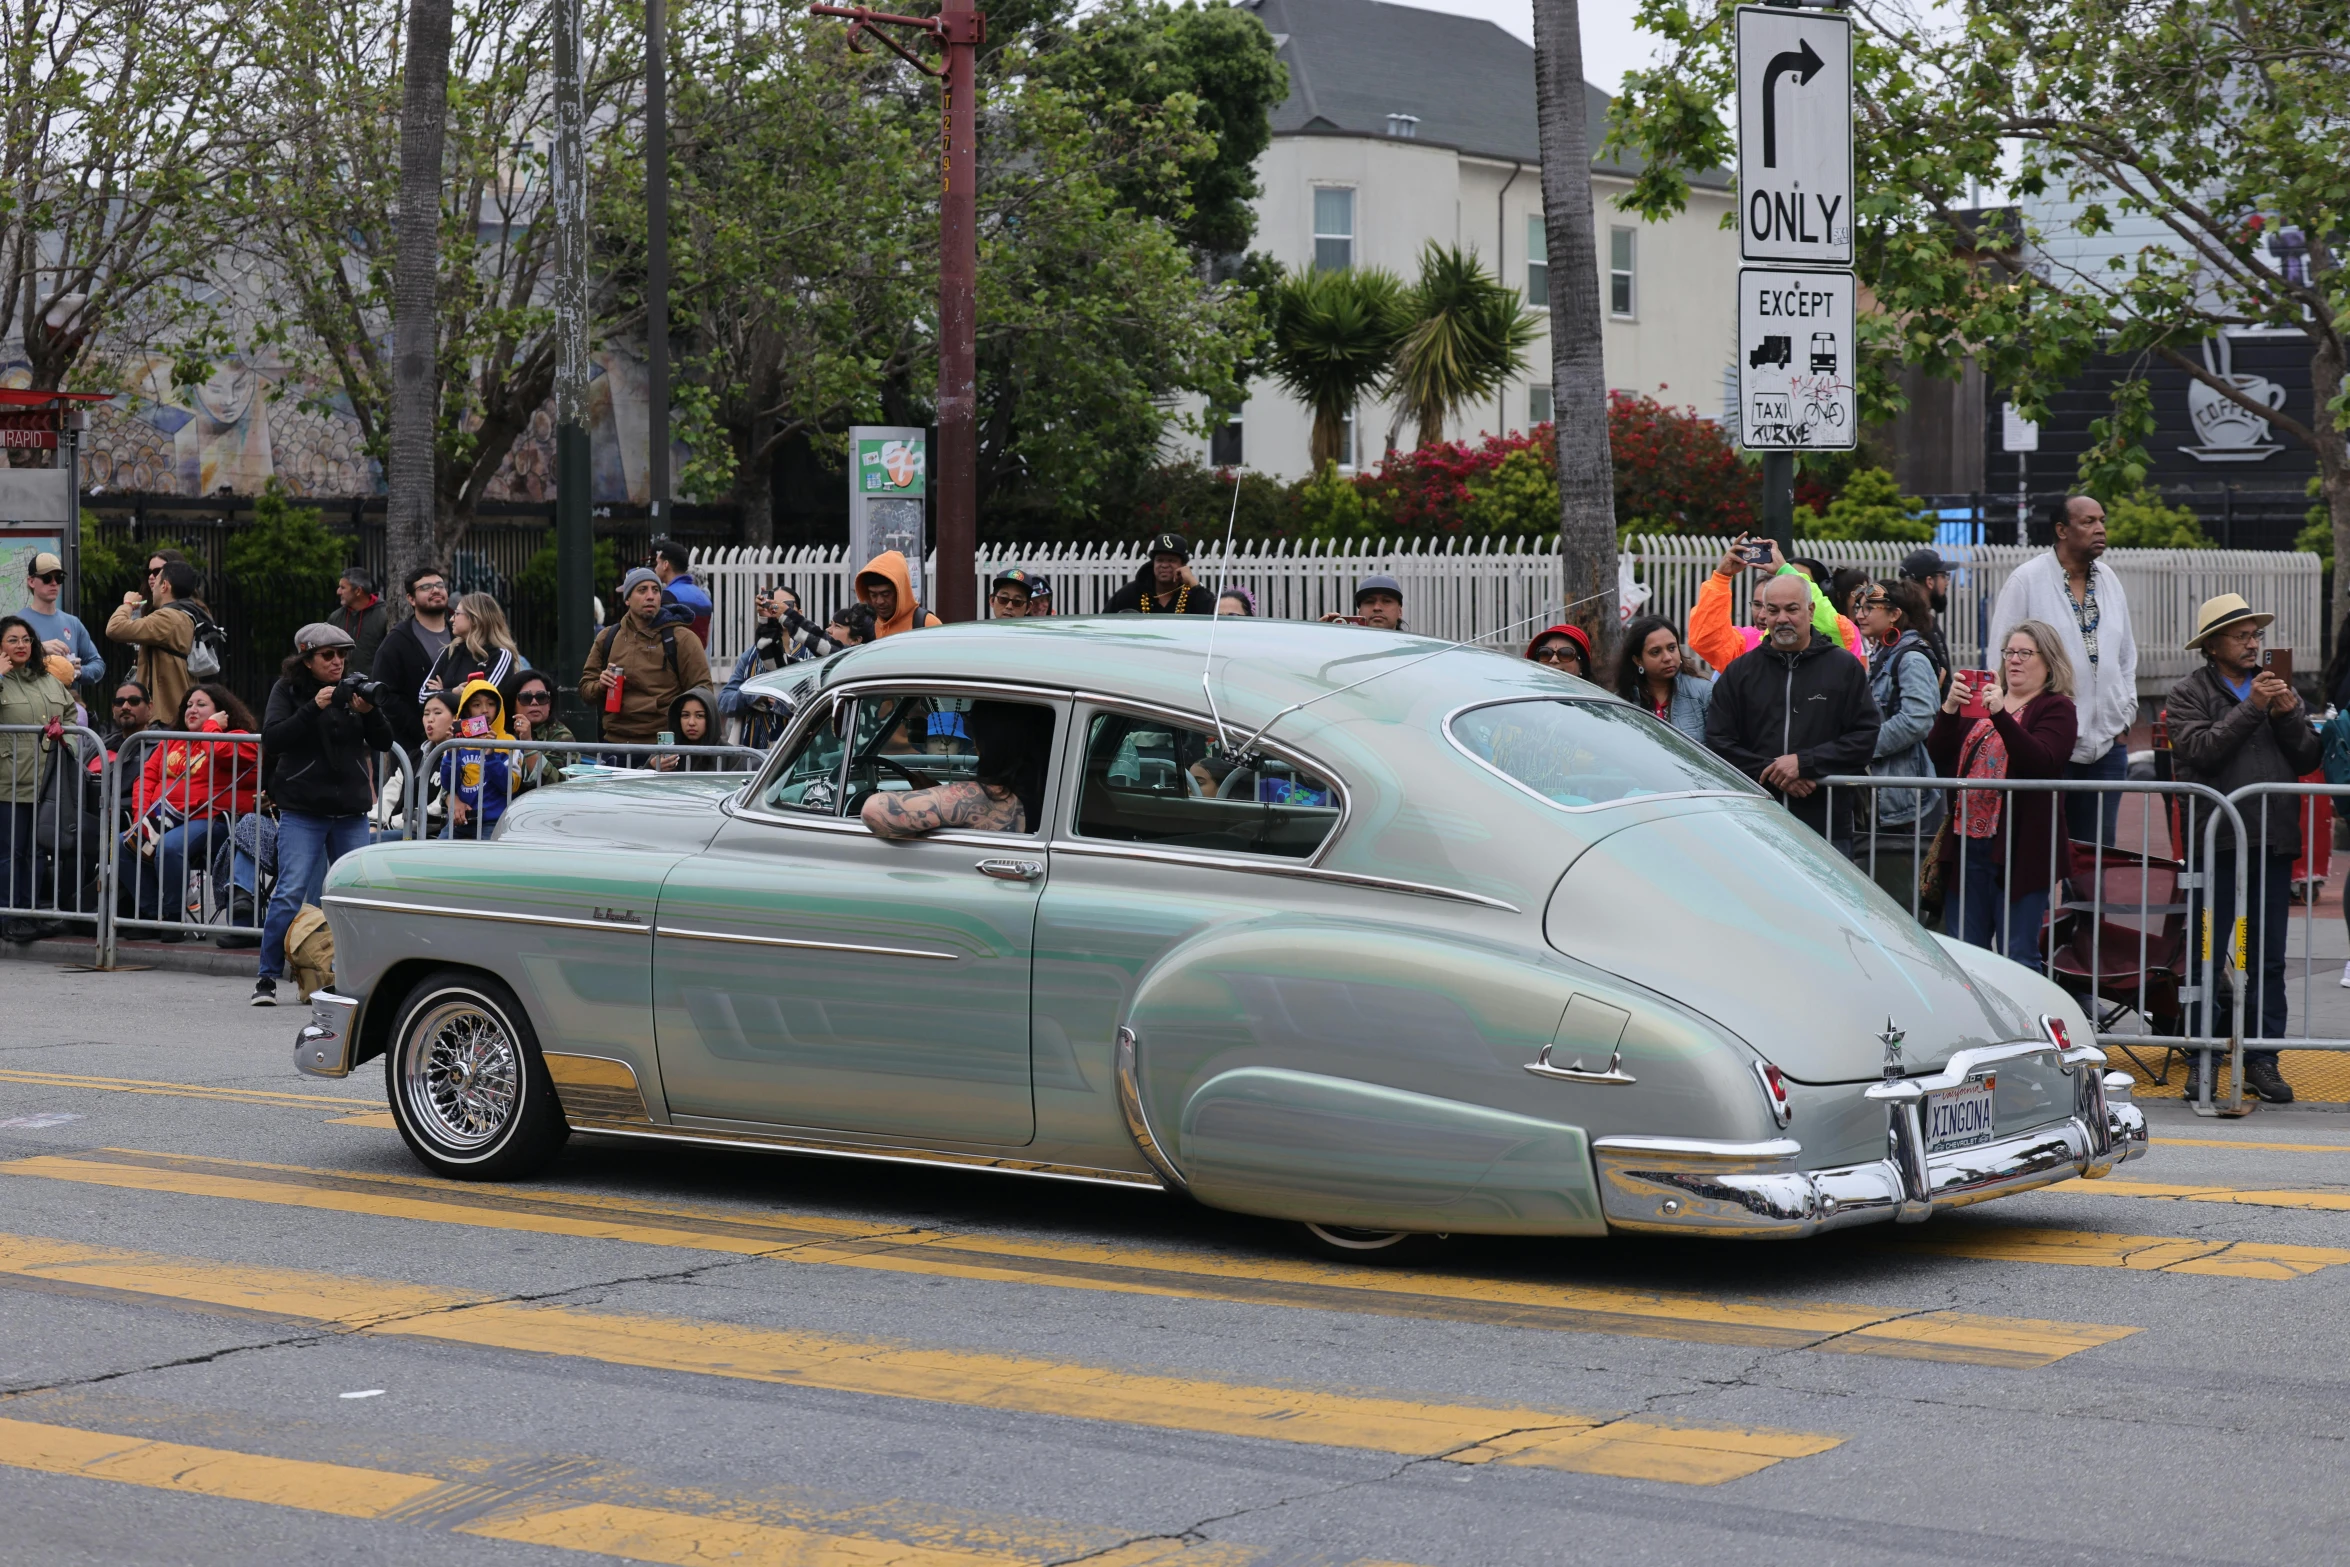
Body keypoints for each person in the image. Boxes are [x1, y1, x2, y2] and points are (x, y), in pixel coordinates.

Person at [2167, 593, 2323, 1105]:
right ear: (2212, 646)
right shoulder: (2188, 692)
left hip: (2271, 842)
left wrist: (2284, 714)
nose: (2253, 643)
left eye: (2256, 634)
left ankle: (2261, 1058)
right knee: (2210, 954)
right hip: (2219, 845)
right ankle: (2204, 1057)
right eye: (2241, 635)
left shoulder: (2280, 690)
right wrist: (2254, 707)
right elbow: (2201, 751)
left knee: (2268, 958)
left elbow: (2305, 757)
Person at [252, 623, 393, 1006]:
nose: (337, 662)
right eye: (328, 656)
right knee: (290, 891)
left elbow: (383, 741)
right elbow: (274, 738)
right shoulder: (289, 691)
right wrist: (315, 707)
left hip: (350, 811)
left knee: (357, 895)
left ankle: (360, 978)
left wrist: (369, 712)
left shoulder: (354, 690)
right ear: (306, 658)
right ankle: (266, 978)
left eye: (342, 655)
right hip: (303, 809)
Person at [1926, 622, 2078, 969]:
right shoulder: (1984, 703)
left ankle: (2022, 1024)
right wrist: (1949, 708)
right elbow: (1938, 752)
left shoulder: (2056, 708)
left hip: (2019, 849)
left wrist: (2002, 716)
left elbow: (2040, 760)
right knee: (1965, 957)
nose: (2014, 661)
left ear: (2049, 661)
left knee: (2018, 956)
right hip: (1967, 845)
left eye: (2025, 653)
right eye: (2009, 652)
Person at [1987, 496, 2137, 845]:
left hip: (2107, 746)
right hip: (2048, 742)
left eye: (2102, 520)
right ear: (2061, 530)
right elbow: (2001, 658)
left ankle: (2084, 903)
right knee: (2037, 852)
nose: (2100, 528)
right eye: (2088, 522)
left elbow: (2127, 657)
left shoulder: (2110, 580)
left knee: (2096, 859)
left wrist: (2125, 715)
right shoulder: (2027, 580)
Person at [1704, 572, 1882, 848]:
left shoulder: (1844, 668)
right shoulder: (1739, 672)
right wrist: (1775, 771)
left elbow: (1864, 738)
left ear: (1810, 611)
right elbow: (1718, 742)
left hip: (1826, 827)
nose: (1782, 618)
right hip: (1757, 824)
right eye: (1773, 610)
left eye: (1791, 609)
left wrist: (1804, 763)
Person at [127, 683, 260, 938]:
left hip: (209, 819)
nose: (192, 709)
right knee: (126, 845)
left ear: (221, 712)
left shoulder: (238, 737)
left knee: (170, 847)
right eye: (188, 705)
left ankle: (174, 919)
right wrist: (140, 820)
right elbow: (146, 779)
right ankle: (151, 916)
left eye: (201, 704)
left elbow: (218, 751)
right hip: (162, 818)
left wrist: (212, 726)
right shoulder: (173, 741)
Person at [1852, 579, 1945, 911]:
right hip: (1890, 798)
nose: (1860, 614)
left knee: (1903, 902)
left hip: (1905, 801)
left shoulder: (1910, 656)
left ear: (1894, 614)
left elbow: (1919, 718)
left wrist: (1862, 747)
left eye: (1868, 608)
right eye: (1858, 607)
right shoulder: (1885, 652)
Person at [861, 702, 1054, 838]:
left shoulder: (990, 797)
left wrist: (937, 796)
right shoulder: (1056, 790)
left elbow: (874, 810)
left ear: (984, 742)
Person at [1688, 536, 1866, 673]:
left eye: (1790, 608)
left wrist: (1785, 570)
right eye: (1765, 606)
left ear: (1811, 608)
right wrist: (1721, 578)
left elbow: (1831, 625)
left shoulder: (1839, 641)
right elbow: (1707, 640)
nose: (1765, 615)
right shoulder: (1746, 645)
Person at [0, 615, 74, 942]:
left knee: (36, 853)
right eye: (12, 640)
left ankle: (31, 911)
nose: (21, 645)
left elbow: (72, 715)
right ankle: (9, 915)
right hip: (8, 783)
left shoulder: (48, 679)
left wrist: (66, 740)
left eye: (26, 639)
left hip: (46, 783)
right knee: (9, 853)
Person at [583, 567, 713, 745]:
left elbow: (703, 692)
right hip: (615, 744)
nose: (651, 596)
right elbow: (585, 689)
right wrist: (601, 686)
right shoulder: (608, 637)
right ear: (627, 599)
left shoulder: (682, 638)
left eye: (656, 590)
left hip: (664, 745)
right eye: (642, 590)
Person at [105, 559, 205, 722]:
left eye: (156, 582)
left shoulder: (168, 617)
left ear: (165, 586)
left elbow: (115, 628)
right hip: (171, 713)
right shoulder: (186, 614)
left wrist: (128, 604)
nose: (152, 587)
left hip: (163, 717)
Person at [372, 567, 453, 758]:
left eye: (439, 585)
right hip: (414, 750)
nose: (435, 590)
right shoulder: (397, 641)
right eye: (426, 587)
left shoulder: (461, 636)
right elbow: (385, 694)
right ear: (411, 599)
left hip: (460, 744)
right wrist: (423, 730)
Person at [1611, 615, 1711, 745]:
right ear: (1638, 660)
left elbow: (1721, 750)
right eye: (1655, 652)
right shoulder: (1620, 702)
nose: (1667, 657)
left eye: (1671, 648)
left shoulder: (1704, 693)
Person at [442, 679, 517, 839]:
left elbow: (510, 786)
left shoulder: (508, 742)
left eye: (490, 704)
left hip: (493, 822)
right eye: (476, 705)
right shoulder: (458, 742)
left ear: (498, 707)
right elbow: (448, 784)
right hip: (460, 821)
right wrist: (451, 753)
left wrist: (491, 756)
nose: (485, 710)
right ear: (466, 711)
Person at [421, 591, 526, 704]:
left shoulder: (500, 655)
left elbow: (481, 701)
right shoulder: (451, 651)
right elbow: (423, 696)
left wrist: (441, 692)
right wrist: (454, 691)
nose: (451, 619)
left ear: (474, 618)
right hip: (447, 722)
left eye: (457, 613)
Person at [20, 552, 104, 691]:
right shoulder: (17, 623)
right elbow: (5, 664)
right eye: (47, 578)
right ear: (31, 581)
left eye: (58, 578)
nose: (54, 583)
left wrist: (77, 671)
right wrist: (38, 649)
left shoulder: (73, 623)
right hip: (31, 706)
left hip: (68, 707)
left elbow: (98, 664)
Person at [1107, 534, 1212, 615]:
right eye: (1160, 560)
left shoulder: (1194, 594)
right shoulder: (1130, 593)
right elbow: (1105, 622)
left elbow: (1214, 615)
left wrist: (1193, 583)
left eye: (1171, 560)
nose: (1164, 565)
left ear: (1183, 565)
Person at [1899, 547, 1956, 695]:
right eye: (1944, 576)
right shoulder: (1913, 626)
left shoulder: (1924, 621)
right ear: (1930, 581)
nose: (1947, 583)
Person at [507, 671, 575, 790]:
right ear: (513, 703)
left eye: (541, 697)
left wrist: (528, 743)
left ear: (549, 704)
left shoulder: (561, 735)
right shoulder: (502, 731)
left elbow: (558, 784)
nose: (535, 702)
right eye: (526, 698)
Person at [855, 550, 941, 636]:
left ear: (900, 591)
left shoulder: (927, 624)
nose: (879, 601)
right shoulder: (865, 626)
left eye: (886, 594)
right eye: (873, 595)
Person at [327, 567, 391, 676]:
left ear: (358, 591)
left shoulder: (385, 616)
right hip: (342, 686)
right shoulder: (335, 617)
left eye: (343, 587)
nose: (338, 592)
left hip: (374, 687)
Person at [650, 538, 713, 644]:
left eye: (657, 563)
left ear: (665, 565)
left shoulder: (668, 596)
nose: (655, 568)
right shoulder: (703, 596)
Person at [651, 687, 723, 772]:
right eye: (685, 715)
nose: (691, 722)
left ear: (711, 718)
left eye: (699, 716)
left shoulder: (732, 756)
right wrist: (652, 768)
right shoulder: (664, 753)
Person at [1325, 574, 1405, 631]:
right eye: (1369, 602)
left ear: (1399, 612)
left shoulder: (1412, 650)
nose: (1377, 607)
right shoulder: (1342, 647)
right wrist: (1319, 636)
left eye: (1387, 601)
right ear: (1360, 612)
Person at [102, 679, 157, 750]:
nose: (125, 707)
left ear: (149, 708)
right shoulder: (100, 747)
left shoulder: (163, 748)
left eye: (134, 701)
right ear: (113, 709)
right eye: (119, 702)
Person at [1527, 624, 1594, 681]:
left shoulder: (1593, 696)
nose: (1553, 660)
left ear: (1581, 665)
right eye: (1545, 653)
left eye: (1565, 654)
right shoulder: (1524, 694)